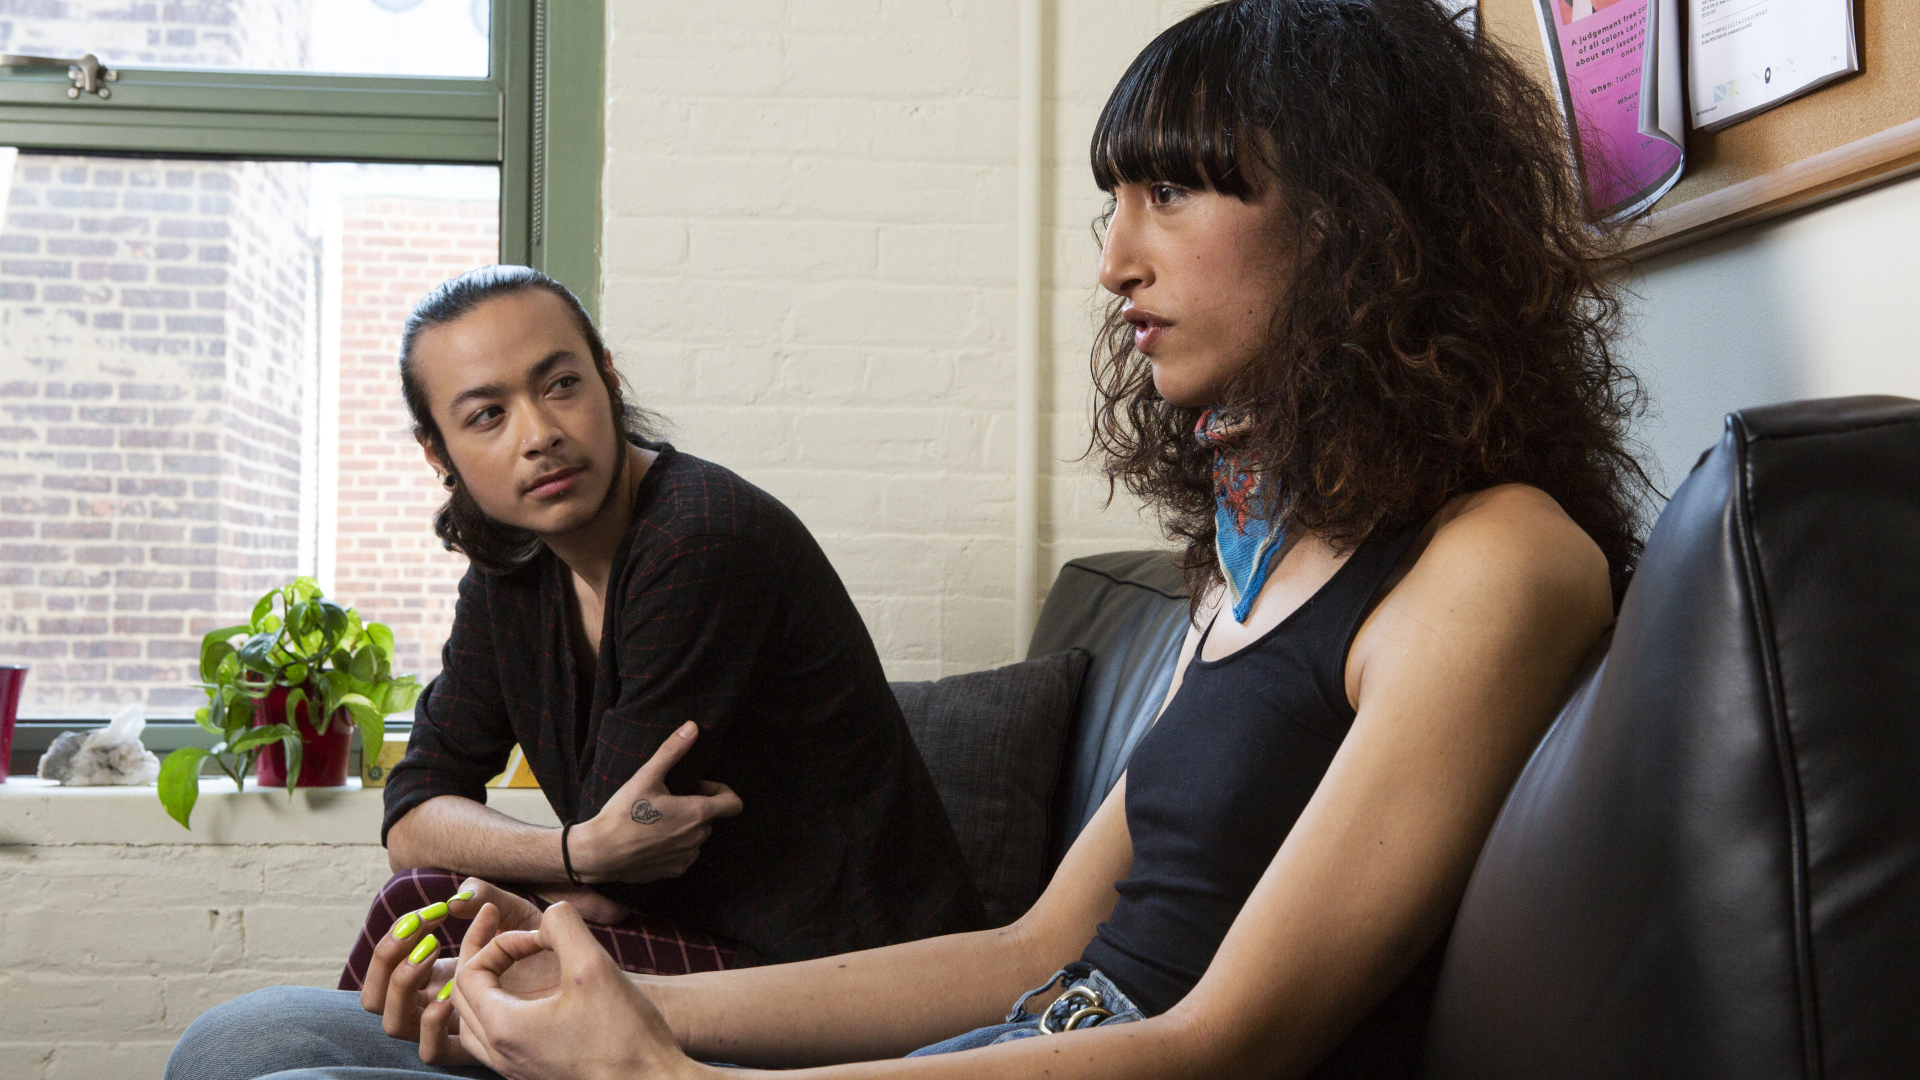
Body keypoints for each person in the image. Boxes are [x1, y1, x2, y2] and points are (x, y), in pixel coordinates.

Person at [165, 0, 1652, 1076]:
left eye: (1173, 189)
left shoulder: (1500, 563)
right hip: (1017, 1032)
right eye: (1110, 200)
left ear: (1360, 219)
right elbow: (1033, 959)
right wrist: (613, 992)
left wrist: (659, 1074)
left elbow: (1222, 1039)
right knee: (250, 1039)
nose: (1116, 259)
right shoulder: (1255, 562)